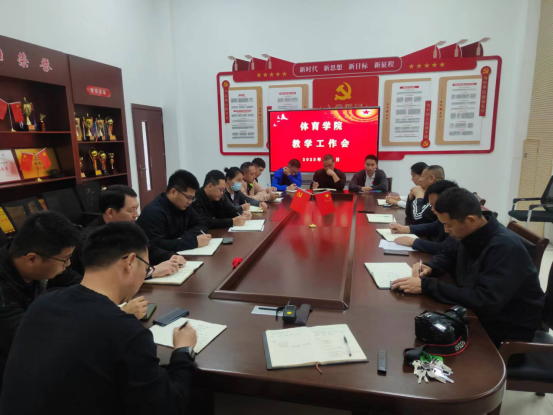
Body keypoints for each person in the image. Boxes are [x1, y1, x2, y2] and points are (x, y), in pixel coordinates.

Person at [0, 222, 198, 414]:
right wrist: (184, 350)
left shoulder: (42, 303)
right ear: (130, 262)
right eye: (146, 267)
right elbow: (168, 407)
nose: (145, 272)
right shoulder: (125, 331)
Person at [391, 188, 544, 347]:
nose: (446, 230)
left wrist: (427, 286)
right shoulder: (470, 231)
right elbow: (448, 254)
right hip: (476, 313)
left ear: (471, 220)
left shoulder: (505, 247)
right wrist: (431, 267)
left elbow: (484, 301)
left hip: (503, 329)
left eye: (448, 225)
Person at [0, 211, 81, 391]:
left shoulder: (48, 261)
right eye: (65, 259)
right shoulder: (3, 289)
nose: (68, 264)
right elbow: (28, 338)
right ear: (32, 259)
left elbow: (85, 287)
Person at [73, 185, 186, 281]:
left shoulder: (127, 226)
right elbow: (108, 275)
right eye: (131, 210)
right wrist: (150, 272)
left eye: (137, 208)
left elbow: (144, 249)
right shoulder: (92, 239)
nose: (136, 214)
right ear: (110, 212)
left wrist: (170, 256)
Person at [137, 169, 211, 262]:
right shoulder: (154, 212)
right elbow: (155, 246)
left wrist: (183, 237)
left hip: (177, 256)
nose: (190, 202)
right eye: (188, 197)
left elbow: (202, 224)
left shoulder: (185, 206)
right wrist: (193, 242)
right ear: (173, 192)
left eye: (193, 198)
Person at [390, 180, 459, 254]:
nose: (432, 209)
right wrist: (405, 229)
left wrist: (413, 242)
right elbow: (433, 226)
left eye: (434, 205)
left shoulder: (458, 220)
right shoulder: (446, 216)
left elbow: (445, 248)